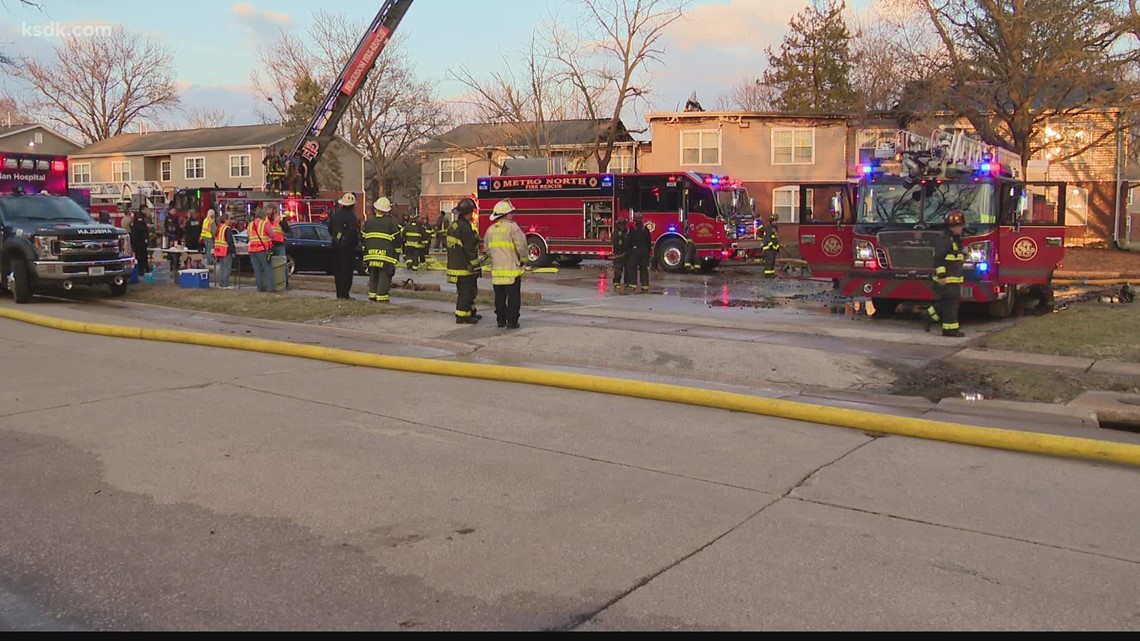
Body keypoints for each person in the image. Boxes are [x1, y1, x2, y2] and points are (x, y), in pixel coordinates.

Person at [484, 200, 528, 329]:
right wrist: (523, 259)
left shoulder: (490, 230)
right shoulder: (513, 227)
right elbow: (522, 246)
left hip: (497, 271)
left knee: (499, 297)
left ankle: (500, 320)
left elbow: (486, 249)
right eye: (511, 212)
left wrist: (497, 258)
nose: (512, 215)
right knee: (513, 297)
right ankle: (512, 321)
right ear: (506, 214)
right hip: (512, 270)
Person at [925, 210, 967, 337]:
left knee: (948, 304)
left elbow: (954, 256)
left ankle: (932, 317)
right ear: (951, 227)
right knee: (951, 305)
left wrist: (963, 254)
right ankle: (950, 330)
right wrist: (942, 276)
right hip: (947, 279)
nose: (961, 229)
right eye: (959, 226)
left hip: (954, 278)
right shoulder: (944, 239)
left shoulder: (955, 238)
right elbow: (938, 258)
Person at [447, 198, 482, 324]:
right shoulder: (465, 228)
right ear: (468, 212)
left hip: (455, 265)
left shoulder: (455, 226)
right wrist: (476, 266)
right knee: (466, 292)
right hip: (464, 267)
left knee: (468, 290)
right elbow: (470, 250)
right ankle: (462, 316)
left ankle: (470, 311)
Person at [362, 197, 401, 302]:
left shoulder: (368, 222)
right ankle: (382, 298)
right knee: (384, 276)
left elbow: (362, 238)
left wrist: (365, 254)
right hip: (385, 256)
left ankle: (372, 296)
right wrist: (397, 255)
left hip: (370, 255)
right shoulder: (391, 223)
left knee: (373, 276)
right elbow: (397, 241)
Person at [327, 192, 361, 300]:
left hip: (335, 246)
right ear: (352, 205)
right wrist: (354, 244)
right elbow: (353, 232)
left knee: (337, 270)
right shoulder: (351, 217)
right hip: (347, 248)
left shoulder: (334, 215)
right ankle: (345, 294)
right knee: (347, 271)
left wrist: (336, 238)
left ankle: (339, 294)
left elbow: (330, 229)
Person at [623, 212, 651, 293]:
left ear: (634, 220)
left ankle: (633, 285)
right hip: (644, 251)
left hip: (634, 251)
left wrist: (627, 251)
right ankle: (645, 286)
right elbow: (648, 242)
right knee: (644, 269)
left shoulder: (632, 229)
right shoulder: (646, 229)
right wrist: (647, 251)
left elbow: (628, 242)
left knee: (632, 268)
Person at [247, 208, 273, 292]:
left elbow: (248, 236)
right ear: (263, 216)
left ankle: (260, 287)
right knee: (267, 268)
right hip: (262, 249)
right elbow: (272, 234)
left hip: (251, 249)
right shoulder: (264, 224)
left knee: (257, 269)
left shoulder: (250, 225)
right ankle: (270, 287)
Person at [267, 207, 289, 290]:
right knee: (269, 266)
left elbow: (287, 230)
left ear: (274, 211)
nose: (268, 212)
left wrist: (282, 222)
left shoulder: (280, 220)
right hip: (269, 245)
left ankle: (285, 283)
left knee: (283, 265)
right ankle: (272, 284)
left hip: (279, 245)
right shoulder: (265, 221)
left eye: (269, 210)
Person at [213, 215, 237, 289]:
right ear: (226, 220)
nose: (230, 221)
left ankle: (221, 283)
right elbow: (230, 241)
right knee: (227, 268)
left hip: (219, 250)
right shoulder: (227, 228)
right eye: (229, 219)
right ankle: (225, 283)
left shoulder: (219, 227)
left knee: (222, 267)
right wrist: (233, 251)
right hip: (226, 250)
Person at [129, 207, 151, 275]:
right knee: (141, 256)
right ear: (143, 210)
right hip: (139, 241)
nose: (147, 211)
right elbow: (141, 229)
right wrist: (146, 227)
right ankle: (142, 271)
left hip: (138, 240)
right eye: (146, 210)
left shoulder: (140, 217)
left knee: (142, 256)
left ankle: (145, 269)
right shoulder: (139, 218)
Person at [611, 217, 628, 294]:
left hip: (625, 253)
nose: (623, 226)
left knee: (627, 269)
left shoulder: (625, 232)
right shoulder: (615, 233)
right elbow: (616, 243)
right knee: (618, 269)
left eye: (624, 224)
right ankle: (616, 283)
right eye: (622, 224)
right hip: (618, 253)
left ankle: (626, 282)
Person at [761, 214, 781, 278]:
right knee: (769, 262)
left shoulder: (774, 228)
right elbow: (767, 239)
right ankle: (767, 275)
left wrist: (777, 247)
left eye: (776, 220)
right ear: (771, 221)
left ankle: (771, 273)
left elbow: (775, 239)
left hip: (773, 249)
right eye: (775, 221)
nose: (776, 222)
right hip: (768, 248)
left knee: (772, 262)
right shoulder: (769, 228)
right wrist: (771, 246)